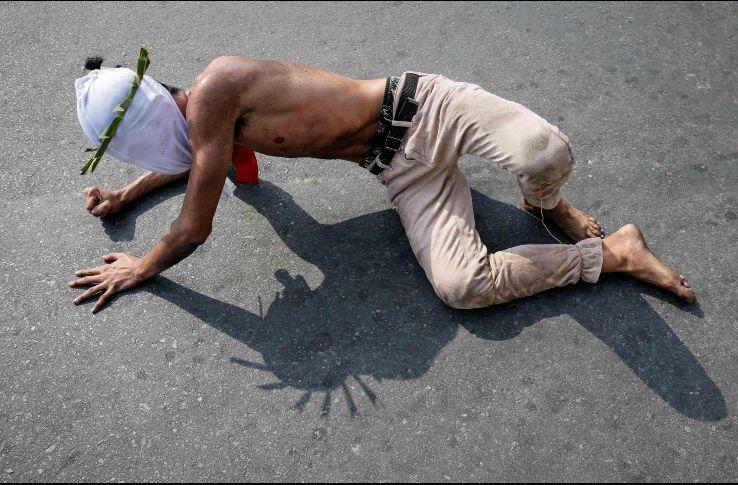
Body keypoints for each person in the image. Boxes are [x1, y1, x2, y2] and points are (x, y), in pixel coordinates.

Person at [70, 54, 695, 313]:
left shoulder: (217, 89)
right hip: (400, 168)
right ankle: (613, 255)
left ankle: (548, 203)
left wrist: (140, 268)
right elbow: (199, 163)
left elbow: (193, 224)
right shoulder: (209, 130)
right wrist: (127, 196)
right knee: (461, 287)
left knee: (542, 152)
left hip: (424, 108)